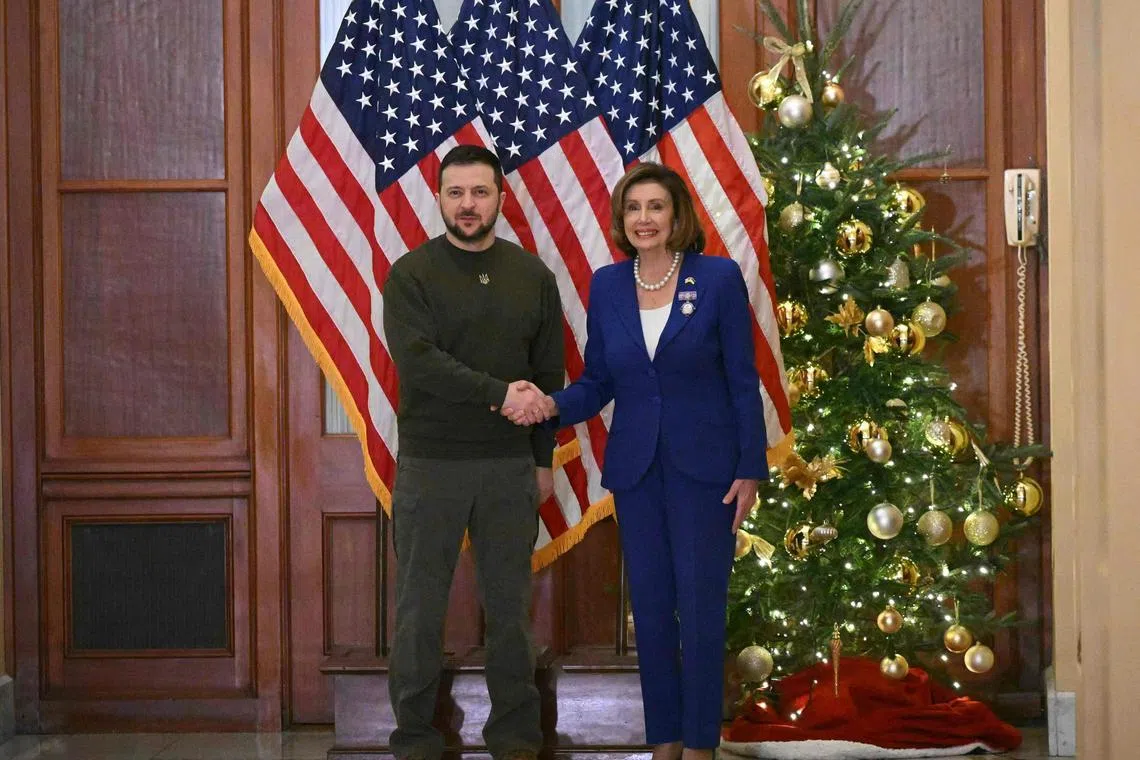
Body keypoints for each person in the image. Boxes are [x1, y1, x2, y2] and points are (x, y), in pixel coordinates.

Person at [502, 162, 767, 760]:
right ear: (622, 220)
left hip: (709, 474)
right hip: (637, 472)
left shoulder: (718, 278)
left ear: (677, 217)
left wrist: (750, 468)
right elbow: (599, 381)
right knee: (649, 612)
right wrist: (550, 406)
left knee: (700, 611)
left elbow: (741, 381)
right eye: (633, 209)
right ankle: (664, 743)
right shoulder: (608, 286)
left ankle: (701, 745)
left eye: (655, 207)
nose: (644, 219)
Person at [382, 144, 564, 760]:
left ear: (501, 200)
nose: (468, 204)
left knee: (511, 612)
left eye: (480, 192)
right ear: (439, 198)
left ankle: (515, 739)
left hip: (510, 468)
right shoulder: (410, 274)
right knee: (418, 613)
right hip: (431, 466)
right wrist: (498, 394)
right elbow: (420, 363)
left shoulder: (533, 276)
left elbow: (548, 376)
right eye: (456, 193)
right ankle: (415, 739)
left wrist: (543, 462)